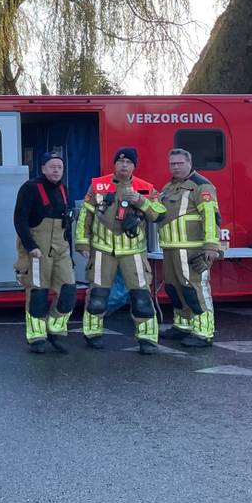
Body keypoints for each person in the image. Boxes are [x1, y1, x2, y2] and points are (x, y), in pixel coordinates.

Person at [74, 147, 163, 353]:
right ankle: (92, 333)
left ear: (134, 166)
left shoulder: (145, 187)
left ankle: (148, 338)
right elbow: (85, 215)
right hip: (102, 249)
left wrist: (140, 201)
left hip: (133, 251)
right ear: (114, 164)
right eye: (120, 162)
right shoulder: (98, 185)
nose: (124, 165)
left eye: (128, 162)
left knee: (141, 296)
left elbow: (160, 213)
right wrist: (82, 243)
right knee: (97, 295)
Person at [151, 148, 221, 348]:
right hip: (170, 248)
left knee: (195, 290)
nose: (175, 167)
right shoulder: (168, 187)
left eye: (179, 163)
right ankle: (182, 325)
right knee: (174, 289)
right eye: (172, 163)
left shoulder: (201, 186)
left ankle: (203, 332)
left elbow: (211, 217)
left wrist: (210, 246)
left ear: (189, 163)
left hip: (191, 249)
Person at [12, 151, 75, 354]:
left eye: (59, 166)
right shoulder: (30, 188)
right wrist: (31, 247)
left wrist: (71, 253)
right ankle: (36, 337)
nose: (56, 170)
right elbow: (19, 220)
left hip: (61, 249)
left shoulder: (65, 189)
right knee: (38, 294)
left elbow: (68, 226)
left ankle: (55, 330)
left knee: (68, 290)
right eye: (52, 166)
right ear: (43, 168)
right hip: (37, 251)